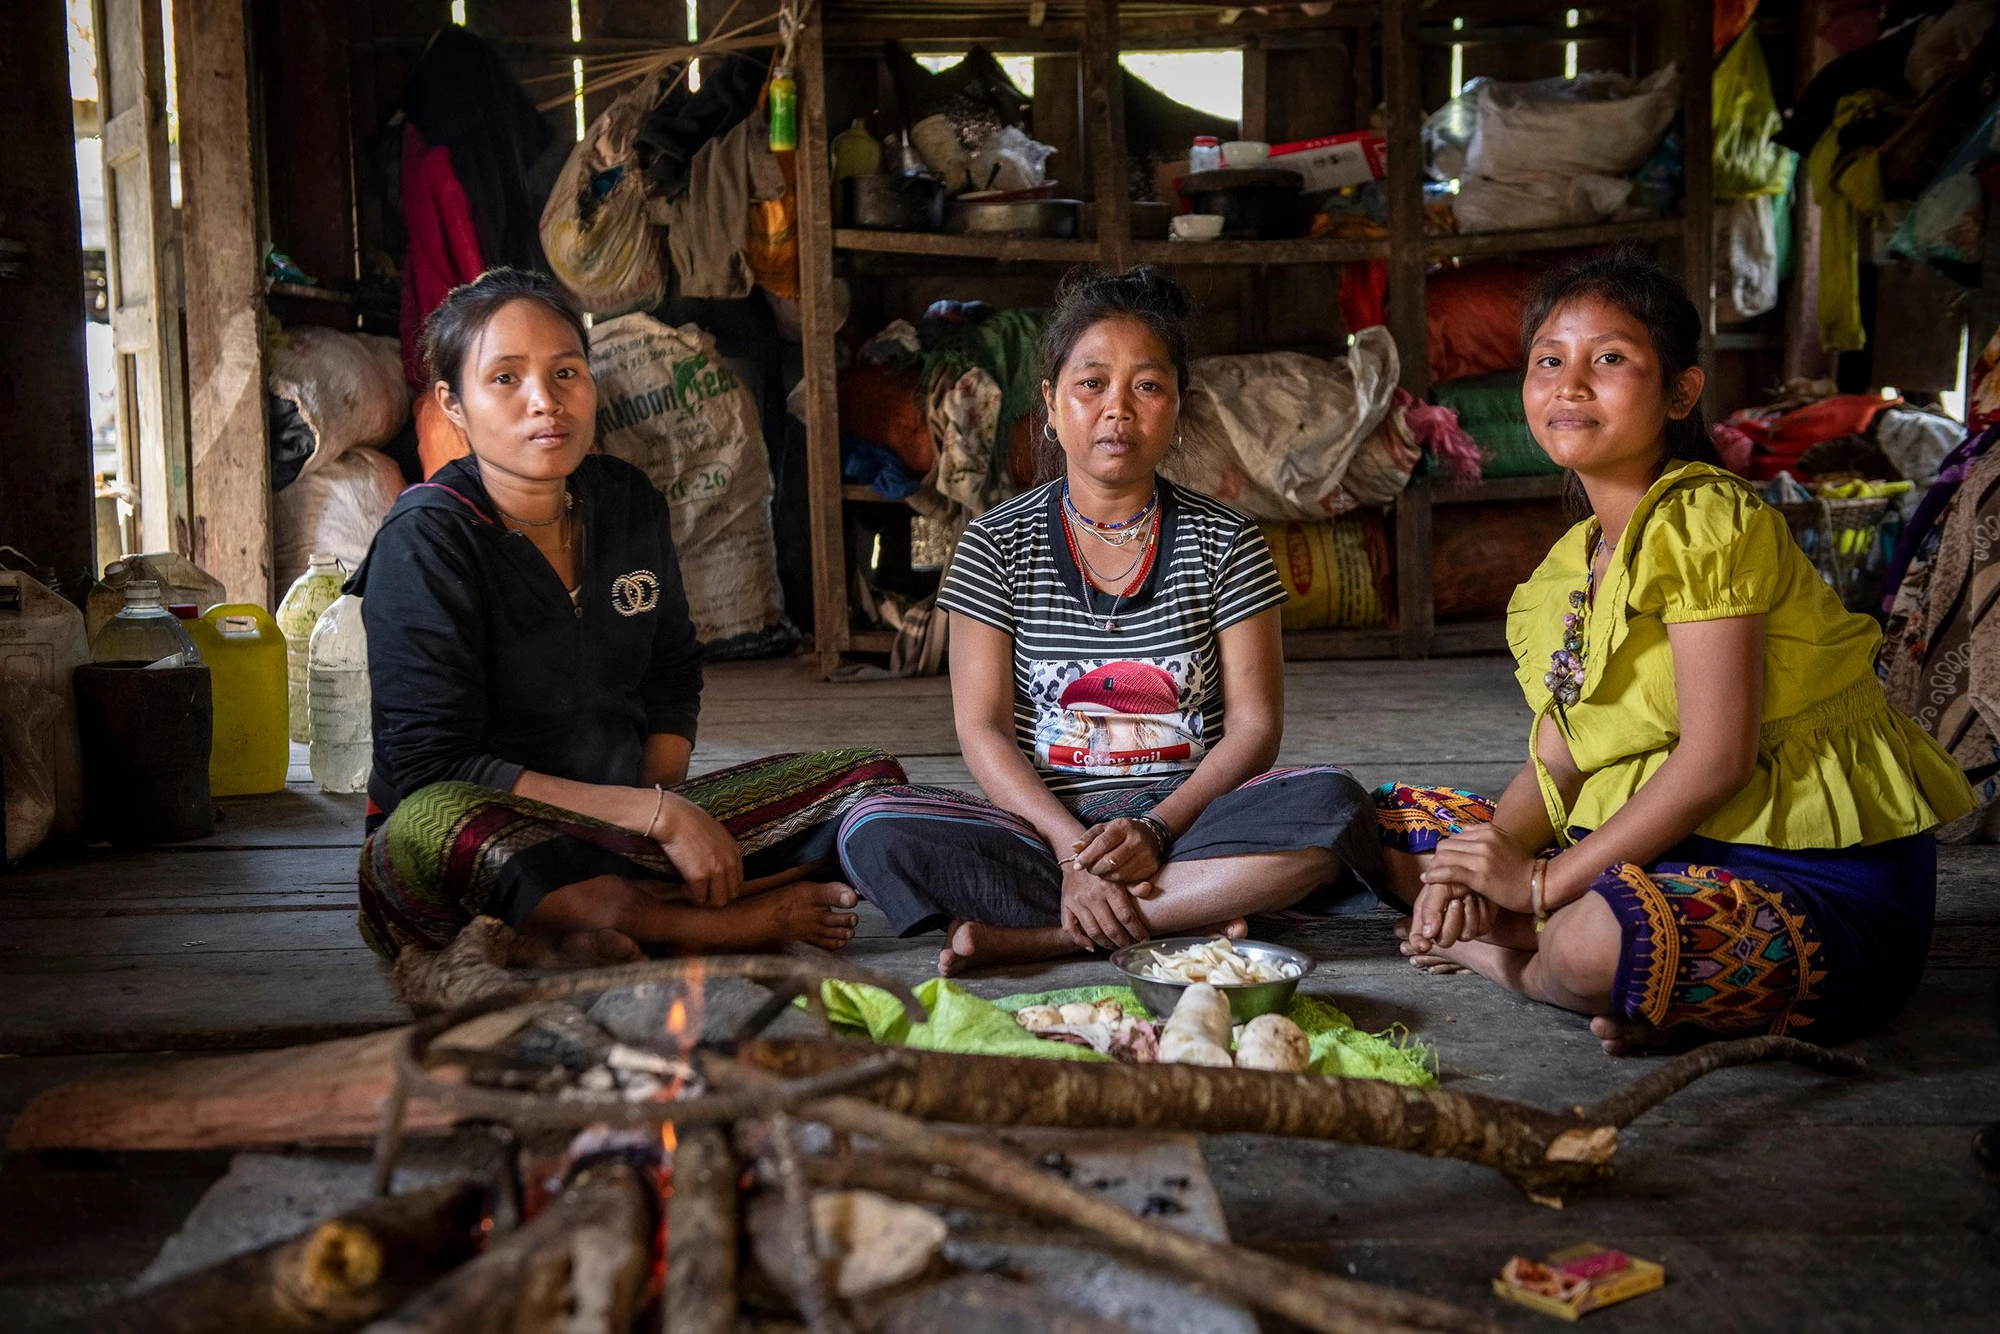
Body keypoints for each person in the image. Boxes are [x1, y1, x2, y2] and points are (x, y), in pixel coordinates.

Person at [1378, 248, 1976, 1053]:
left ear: (1681, 392)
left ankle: (1512, 960)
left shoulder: (1707, 519)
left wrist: (1537, 883)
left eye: (1611, 359)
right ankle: (1598, 967)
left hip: (1813, 880)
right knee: (1394, 825)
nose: (1570, 383)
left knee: (1594, 941)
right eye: (1548, 360)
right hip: (1670, 859)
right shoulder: (1571, 566)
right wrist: (1478, 865)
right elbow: (1560, 761)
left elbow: (1715, 763)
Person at [348, 268, 904, 965]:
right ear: (452, 404)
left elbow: (672, 669)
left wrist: (656, 813)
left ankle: (589, 921)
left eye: (566, 372)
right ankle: (699, 923)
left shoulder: (626, 500)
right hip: (483, 839)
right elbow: (436, 764)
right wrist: (657, 817)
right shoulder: (427, 539)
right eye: (505, 379)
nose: (544, 402)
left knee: (868, 778)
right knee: (425, 828)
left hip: (614, 829)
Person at [837, 266, 1382, 976]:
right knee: (872, 826)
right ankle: (1189, 910)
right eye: (1092, 384)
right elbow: (983, 729)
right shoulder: (995, 545)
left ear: (1177, 406)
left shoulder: (1229, 541)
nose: (1117, 409)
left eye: (1147, 386)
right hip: (1044, 825)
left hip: (1188, 819)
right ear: (1051, 405)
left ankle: (1048, 936)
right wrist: (1072, 852)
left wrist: (1156, 830)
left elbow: (1254, 728)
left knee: (1335, 808)